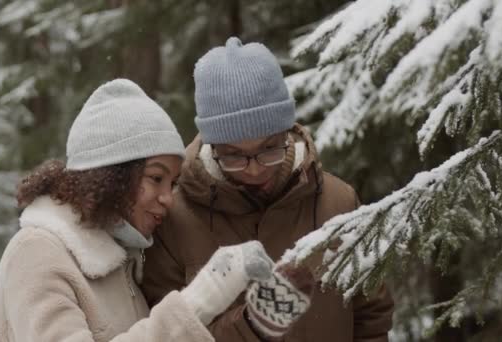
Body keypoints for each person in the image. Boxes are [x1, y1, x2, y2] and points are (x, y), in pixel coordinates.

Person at [141, 38, 394, 341]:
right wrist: (252, 324)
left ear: (287, 133)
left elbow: (371, 316)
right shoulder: (174, 219)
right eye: (234, 155)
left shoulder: (338, 202)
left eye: (269, 148)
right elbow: (164, 336)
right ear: (213, 146)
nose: (254, 168)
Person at [0, 79, 277, 342]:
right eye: (155, 178)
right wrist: (203, 296)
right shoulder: (37, 253)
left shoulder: (123, 266)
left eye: (172, 183)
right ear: (110, 175)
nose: (168, 198)